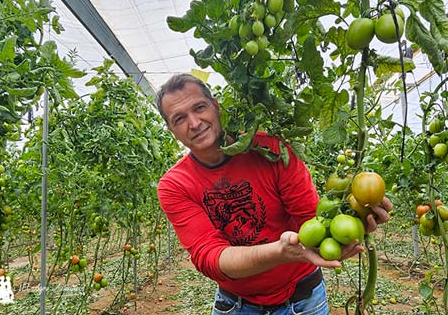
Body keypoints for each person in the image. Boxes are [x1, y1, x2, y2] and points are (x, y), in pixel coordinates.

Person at [156, 73, 392, 315]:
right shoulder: (175, 185)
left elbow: (311, 219)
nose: (194, 123)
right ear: (171, 129)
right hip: (236, 304)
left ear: (216, 107)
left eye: (200, 107)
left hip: (302, 299)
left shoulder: (271, 150)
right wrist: (280, 251)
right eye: (179, 118)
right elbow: (210, 257)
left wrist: (356, 216)